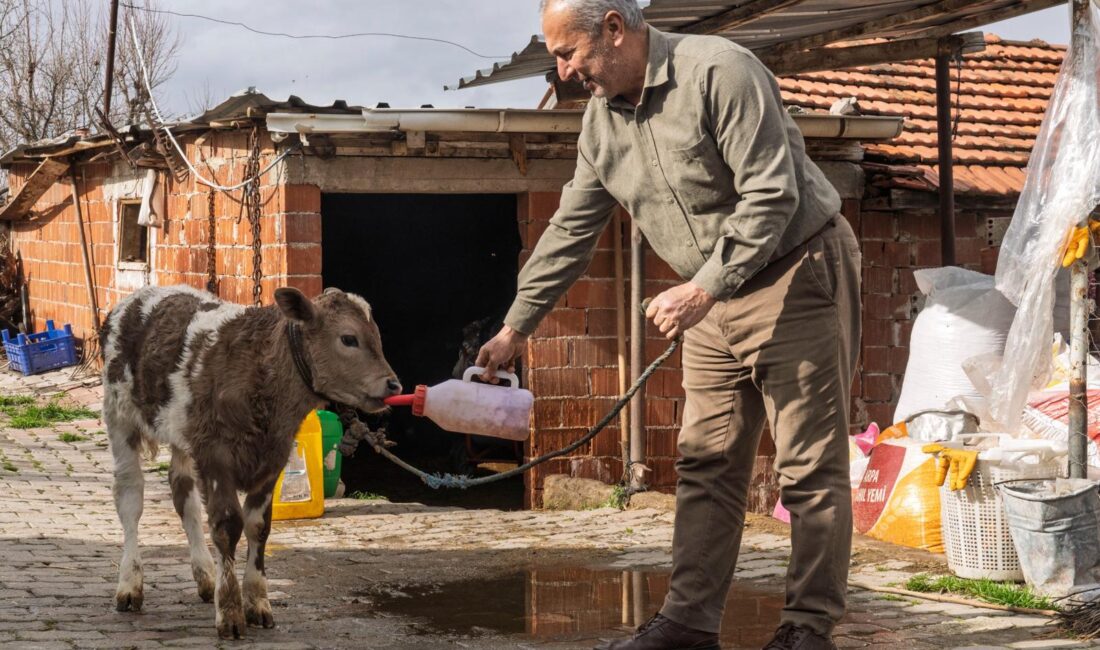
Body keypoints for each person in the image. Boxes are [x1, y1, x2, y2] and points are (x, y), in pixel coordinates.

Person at [476, 1, 861, 648]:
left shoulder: (720, 73)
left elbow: (773, 194)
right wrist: (516, 329)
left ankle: (807, 629)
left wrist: (702, 289)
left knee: (808, 464)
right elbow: (572, 227)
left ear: (615, 29)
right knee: (706, 461)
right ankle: (687, 623)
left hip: (796, 272)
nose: (565, 73)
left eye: (568, 53)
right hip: (711, 297)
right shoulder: (601, 124)